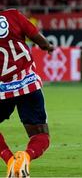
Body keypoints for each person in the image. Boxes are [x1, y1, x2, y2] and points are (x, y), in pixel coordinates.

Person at [0, 9, 54, 177]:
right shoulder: (14, 15)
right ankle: (26, 156)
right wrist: (49, 47)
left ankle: (10, 160)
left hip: (2, 91)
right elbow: (42, 42)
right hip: (28, 85)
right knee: (40, 134)